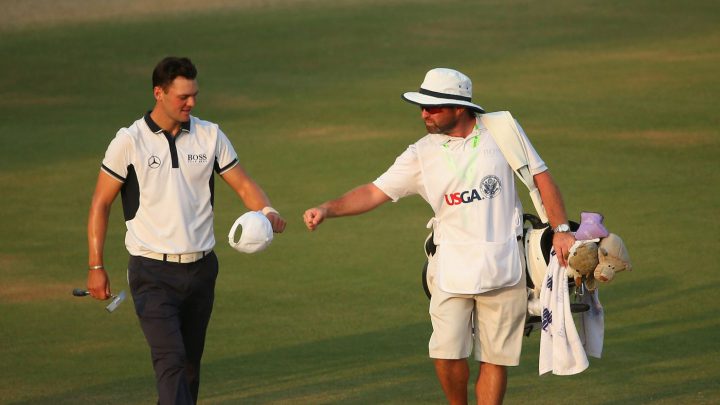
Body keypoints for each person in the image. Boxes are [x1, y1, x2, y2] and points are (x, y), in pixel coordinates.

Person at [303, 68, 575, 405]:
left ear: (460, 108)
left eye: (433, 107)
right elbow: (373, 192)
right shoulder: (420, 153)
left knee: (495, 359)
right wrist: (328, 208)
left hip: (504, 266)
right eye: (422, 107)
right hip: (450, 269)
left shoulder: (501, 131)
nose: (424, 114)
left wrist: (561, 230)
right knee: (445, 355)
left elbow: (540, 177)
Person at [85, 56, 286, 405]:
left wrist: (266, 210)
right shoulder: (130, 141)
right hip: (152, 273)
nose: (191, 103)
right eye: (183, 97)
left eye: (194, 95)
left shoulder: (210, 135)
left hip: (201, 270)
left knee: (189, 365)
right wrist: (96, 267)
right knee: (172, 361)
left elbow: (242, 184)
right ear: (159, 93)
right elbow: (100, 203)